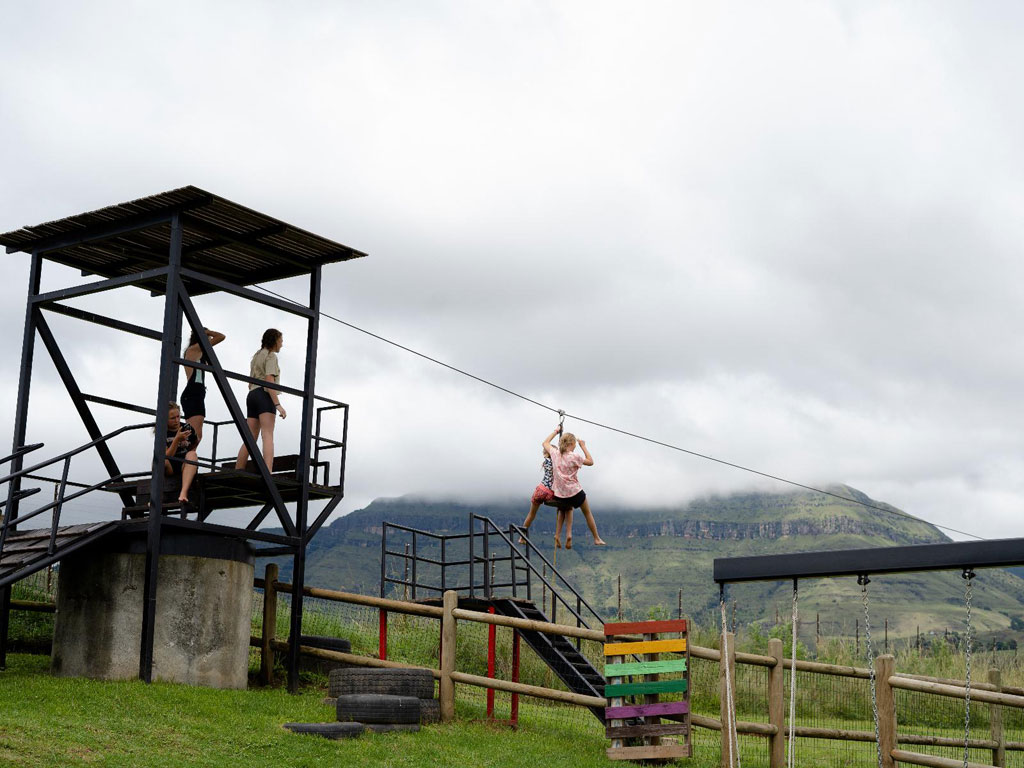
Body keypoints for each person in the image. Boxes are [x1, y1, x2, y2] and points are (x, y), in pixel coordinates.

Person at [236, 328, 287, 472]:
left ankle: (239, 468)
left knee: (250, 437)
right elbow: (269, 380)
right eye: (280, 341)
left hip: (252, 395)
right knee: (267, 434)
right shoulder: (271, 356)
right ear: (274, 341)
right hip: (264, 395)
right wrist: (277, 404)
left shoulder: (257, 355)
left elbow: (250, 383)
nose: (282, 344)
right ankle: (268, 472)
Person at [545, 429, 606, 548]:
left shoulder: (554, 453)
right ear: (571, 443)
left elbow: (545, 443)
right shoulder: (574, 456)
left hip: (560, 494)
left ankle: (559, 535)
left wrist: (556, 431)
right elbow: (590, 462)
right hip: (574, 492)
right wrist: (583, 446)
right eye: (575, 445)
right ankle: (596, 538)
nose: (575, 447)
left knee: (564, 509)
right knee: (587, 513)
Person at [180, 327, 225, 447]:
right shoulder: (194, 349)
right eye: (208, 338)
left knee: (194, 435)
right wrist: (207, 332)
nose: (210, 340)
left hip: (197, 393)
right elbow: (221, 336)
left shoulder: (200, 353)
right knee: (195, 436)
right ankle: (185, 455)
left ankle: (187, 455)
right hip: (193, 393)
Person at [519, 428, 558, 545]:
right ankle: (559, 534)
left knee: (531, 514)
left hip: (540, 490)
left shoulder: (546, 461)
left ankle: (521, 537)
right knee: (565, 508)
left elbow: (545, 442)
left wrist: (556, 431)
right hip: (550, 493)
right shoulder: (558, 462)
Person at [165, 401, 199, 513]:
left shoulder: (187, 428)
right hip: (170, 465)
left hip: (184, 464)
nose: (176, 420)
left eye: (178, 416)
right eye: (172, 418)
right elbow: (167, 456)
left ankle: (183, 493)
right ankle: (156, 495)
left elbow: (195, 441)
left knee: (192, 454)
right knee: (160, 460)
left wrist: (188, 447)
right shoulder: (162, 431)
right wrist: (177, 440)